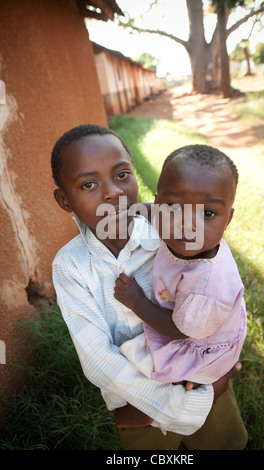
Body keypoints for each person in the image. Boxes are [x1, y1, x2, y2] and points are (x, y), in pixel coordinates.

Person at [51, 124, 247, 450]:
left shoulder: (175, 232)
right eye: (88, 184)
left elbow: (219, 294)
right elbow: (99, 360)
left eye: (122, 175)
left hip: (199, 378)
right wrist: (169, 407)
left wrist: (210, 381)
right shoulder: (71, 266)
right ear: (64, 200)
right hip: (138, 403)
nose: (112, 192)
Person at [114, 144, 246, 430]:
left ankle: (154, 408)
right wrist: (134, 212)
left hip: (202, 343)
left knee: (149, 369)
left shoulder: (206, 285)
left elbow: (178, 329)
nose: (188, 225)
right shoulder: (182, 234)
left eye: (208, 214)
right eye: (173, 207)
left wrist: (136, 301)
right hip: (208, 321)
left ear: (229, 219)